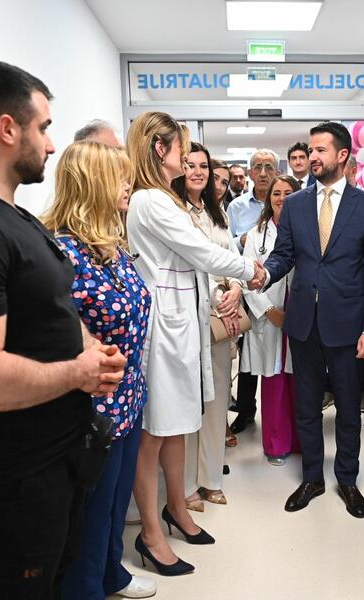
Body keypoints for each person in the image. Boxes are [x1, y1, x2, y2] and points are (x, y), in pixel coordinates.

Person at [0, 60, 125, 598]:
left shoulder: (19, 220)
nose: (50, 145)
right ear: (7, 128)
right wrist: (78, 372)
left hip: (57, 460)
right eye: (43, 128)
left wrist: (92, 348)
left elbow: (54, 309)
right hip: (18, 476)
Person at [125, 112, 262, 576]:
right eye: (181, 147)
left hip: (183, 325)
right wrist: (249, 270)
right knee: (154, 432)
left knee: (178, 425)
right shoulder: (150, 200)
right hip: (165, 329)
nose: (187, 157)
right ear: (159, 149)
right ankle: (151, 533)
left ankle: (177, 509)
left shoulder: (164, 198)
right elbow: (200, 251)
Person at [41, 141, 155, 599]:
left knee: (113, 505)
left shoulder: (111, 245)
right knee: (89, 512)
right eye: (119, 178)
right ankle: (86, 589)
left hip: (128, 396)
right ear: (93, 184)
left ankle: (112, 575)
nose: (128, 186)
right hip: (92, 407)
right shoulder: (62, 253)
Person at [263, 121, 364, 519]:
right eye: (311, 150)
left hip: (349, 325)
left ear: (343, 155)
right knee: (306, 407)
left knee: (349, 408)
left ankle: (347, 479)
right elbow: (284, 255)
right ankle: (312, 478)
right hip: (304, 322)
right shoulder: (295, 204)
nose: (313, 157)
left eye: (321, 150)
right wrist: (263, 274)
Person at [172, 143, 244, 509]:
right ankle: (186, 486)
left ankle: (211, 479)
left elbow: (233, 259)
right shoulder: (173, 212)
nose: (198, 172)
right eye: (191, 165)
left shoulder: (219, 214)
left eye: (204, 166)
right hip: (190, 317)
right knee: (189, 406)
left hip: (221, 321)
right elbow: (193, 265)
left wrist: (236, 289)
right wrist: (220, 296)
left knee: (216, 404)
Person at [242, 176, 301, 465]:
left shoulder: (308, 228)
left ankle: (301, 440)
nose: (282, 198)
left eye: (288, 193)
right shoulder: (256, 235)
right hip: (269, 315)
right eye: (276, 193)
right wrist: (268, 311)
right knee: (274, 380)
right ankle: (276, 444)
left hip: (300, 309)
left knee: (300, 380)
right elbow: (245, 278)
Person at [227, 148, 280, 434]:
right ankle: (246, 410)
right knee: (248, 354)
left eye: (268, 167)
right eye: (257, 167)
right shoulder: (237, 207)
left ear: (277, 172)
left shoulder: (286, 201)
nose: (262, 173)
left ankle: (282, 412)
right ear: (249, 173)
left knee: (281, 355)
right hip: (246, 289)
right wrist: (244, 239)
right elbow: (226, 246)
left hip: (280, 287)